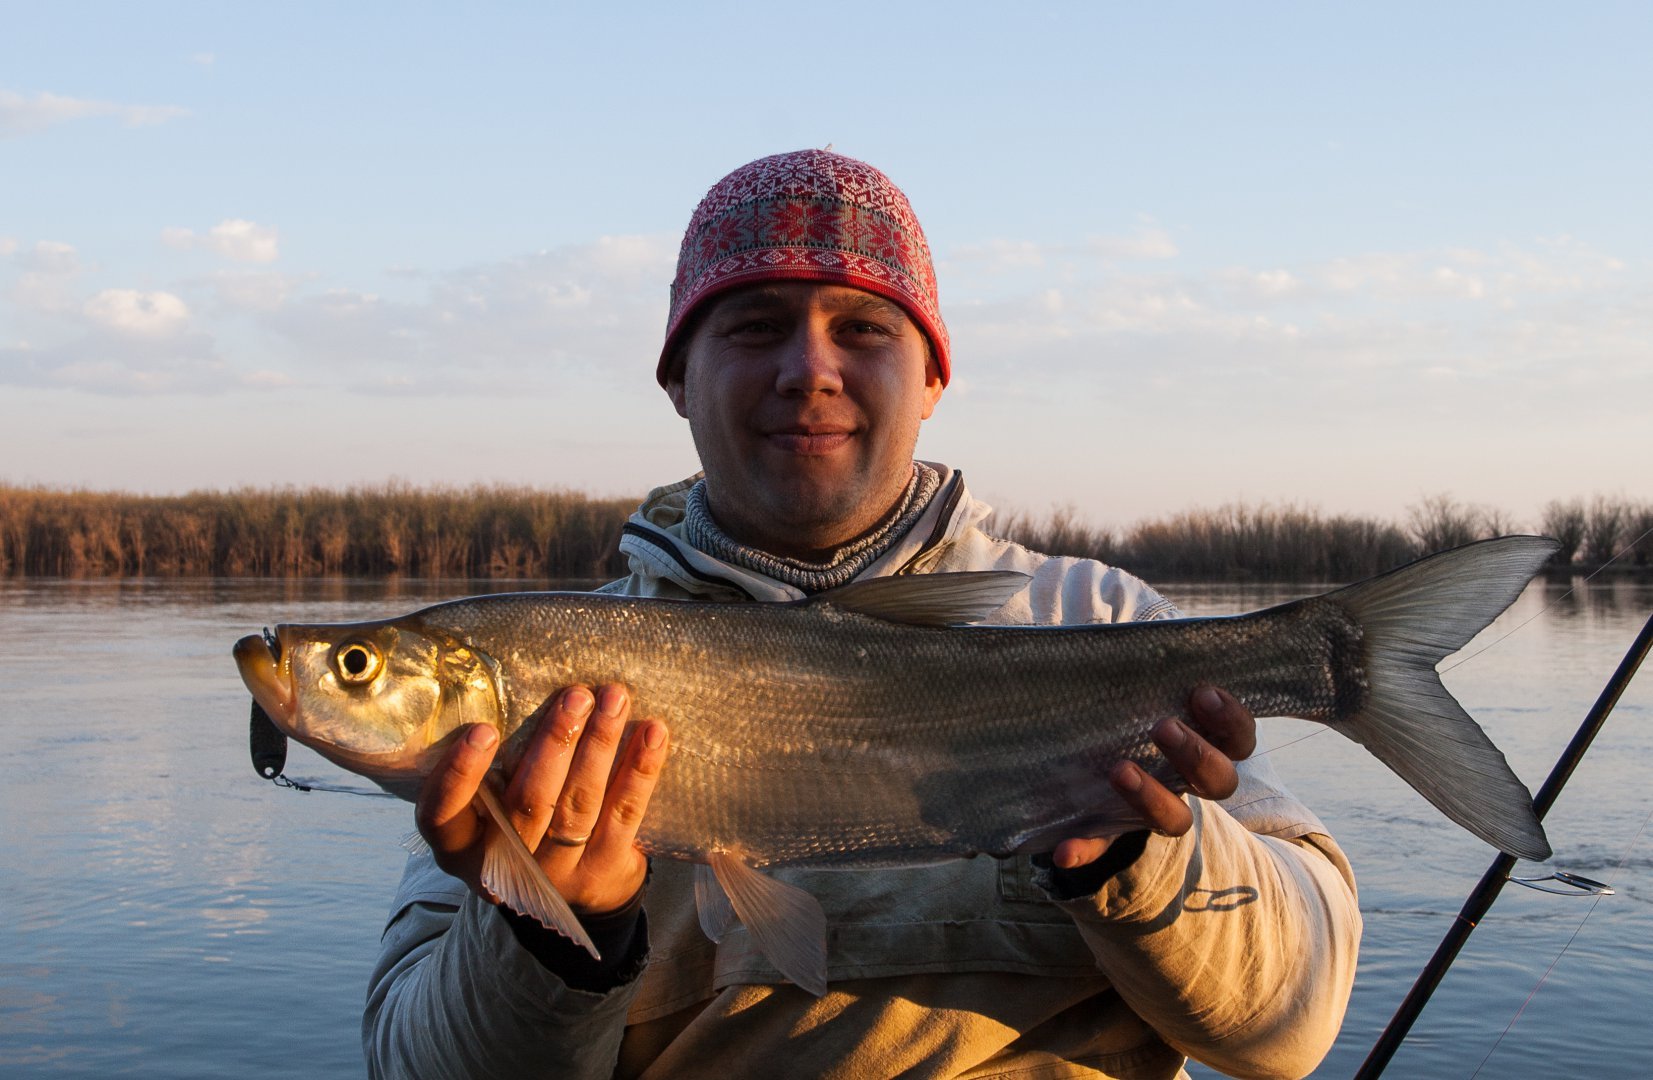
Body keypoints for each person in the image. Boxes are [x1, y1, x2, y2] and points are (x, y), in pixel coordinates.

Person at [364, 150, 1361, 1079]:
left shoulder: (1098, 621)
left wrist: (1139, 852)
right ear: (677, 378)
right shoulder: (559, 675)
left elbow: (1290, 1034)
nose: (809, 369)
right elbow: (408, 1063)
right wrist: (551, 930)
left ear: (932, 378)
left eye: (864, 328)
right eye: (754, 326)